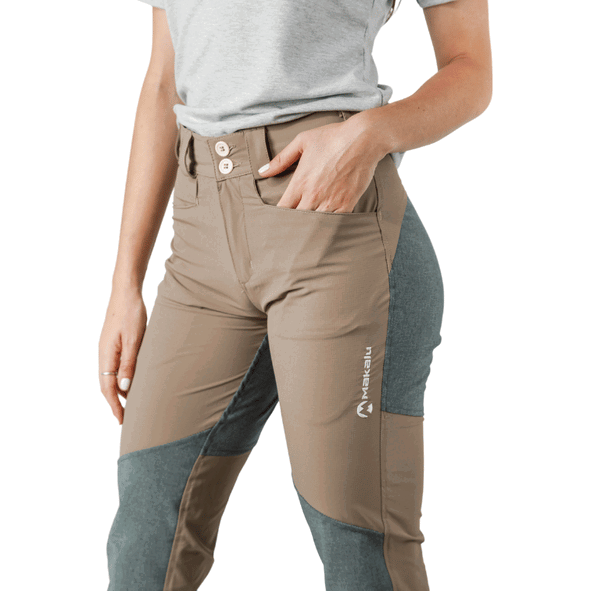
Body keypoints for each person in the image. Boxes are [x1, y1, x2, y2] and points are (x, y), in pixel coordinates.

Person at [99, 0, 492, 589]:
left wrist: (371, 133)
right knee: (146, 532)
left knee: (358, 540)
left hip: (337, 234)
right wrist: (124, 283)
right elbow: (163, 82)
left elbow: (471, 69)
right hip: (201, 243)